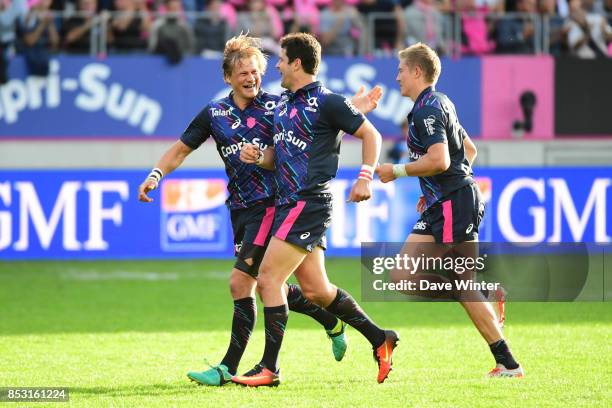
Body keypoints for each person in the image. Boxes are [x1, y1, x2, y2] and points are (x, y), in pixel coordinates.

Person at [138, 34, 381, 387]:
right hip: (241, 208)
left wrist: (354, 108)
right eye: (243, 74)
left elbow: (317, 121)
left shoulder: (278, 106)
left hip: (275, 205)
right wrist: (156, 174)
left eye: (255, 71)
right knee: (300, 287)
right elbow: (180, 149)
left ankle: (229, 368)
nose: (251, 78)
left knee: (242, 282)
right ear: (227, 78)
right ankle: (334, 321)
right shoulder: (215, 113)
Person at [232, 32, 398, 388]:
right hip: (291, 203)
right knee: (316, 290)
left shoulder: (327, 101)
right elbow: (280, 157)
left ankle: (269, 368)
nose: (275, 66)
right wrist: (259, 157)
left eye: (279, 60)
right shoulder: (286, 103)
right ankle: (380, 337)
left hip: (307, 203)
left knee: (268, 280)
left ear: (296, 63)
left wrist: (365, 177)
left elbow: (372, 136)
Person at [376, 42, 524, 378]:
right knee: (454, 282)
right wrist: (434, 190)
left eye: (401, 70)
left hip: (453, 205)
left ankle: (487, 304)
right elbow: (468, 150)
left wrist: (396, 171)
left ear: (416, 71)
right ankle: (508, 362)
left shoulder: (427, 109)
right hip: (451, 201)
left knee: (404, 276)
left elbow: (441, 160)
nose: (396, 77)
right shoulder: (442, 102)